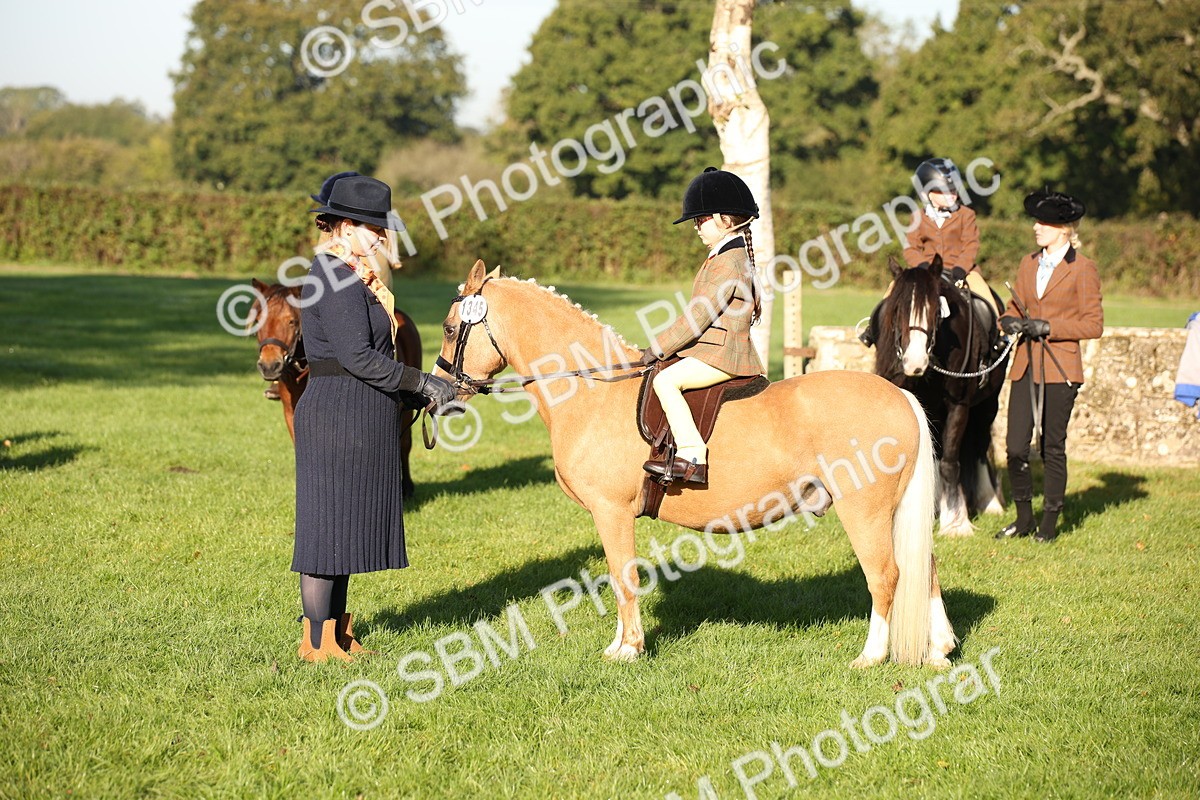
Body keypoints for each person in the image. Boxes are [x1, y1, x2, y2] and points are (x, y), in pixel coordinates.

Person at [292, 176, 456, 662]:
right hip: (338, 416)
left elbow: (369, 356)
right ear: (344, 226)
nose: (381, 238)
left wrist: (408, 395)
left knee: (343, 528)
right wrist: (421, 383)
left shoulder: (351, 273)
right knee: (326, 532)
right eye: (373, 229)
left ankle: (336, 635)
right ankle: (316, 641)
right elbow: (357, 357)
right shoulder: (334, 277)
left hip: (358, 412)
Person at [640, 167, 765, 485]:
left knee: (665, 382)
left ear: (726, 218)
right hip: (714, 351)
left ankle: (692, 455)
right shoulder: (726, 254)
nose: (697, 225)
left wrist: (657, 348)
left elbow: (697, 319)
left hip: (724, 355)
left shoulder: (728, 262)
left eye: (703, 218)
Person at [995, 188, 1103, 543]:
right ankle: (1024, 518)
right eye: (1036, 221)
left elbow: (1093, 324)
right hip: (1025, 365)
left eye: (1044, 223)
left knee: (1051, 447)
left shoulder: (1083, 269)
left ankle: (1049, 523)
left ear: (1064, 229)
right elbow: (1016, 306)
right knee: (1014, 447)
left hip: (1060, 367)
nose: (1036, 228)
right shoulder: (1028, 263)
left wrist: (1049, 327)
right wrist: (1009, 320)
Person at [859, 158, 999, 347]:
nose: (952, 194)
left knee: (984, 294)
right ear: (928, 194)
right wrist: (922, 266)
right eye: (944, 191)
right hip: (925, 272)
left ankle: (998, 334)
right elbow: (911, 248)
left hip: (961, 270)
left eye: (954, 189)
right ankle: (873, 330)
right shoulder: (917, 217)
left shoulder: (966, 215)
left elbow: (971, 245)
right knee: (893, 289)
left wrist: (960, 268)